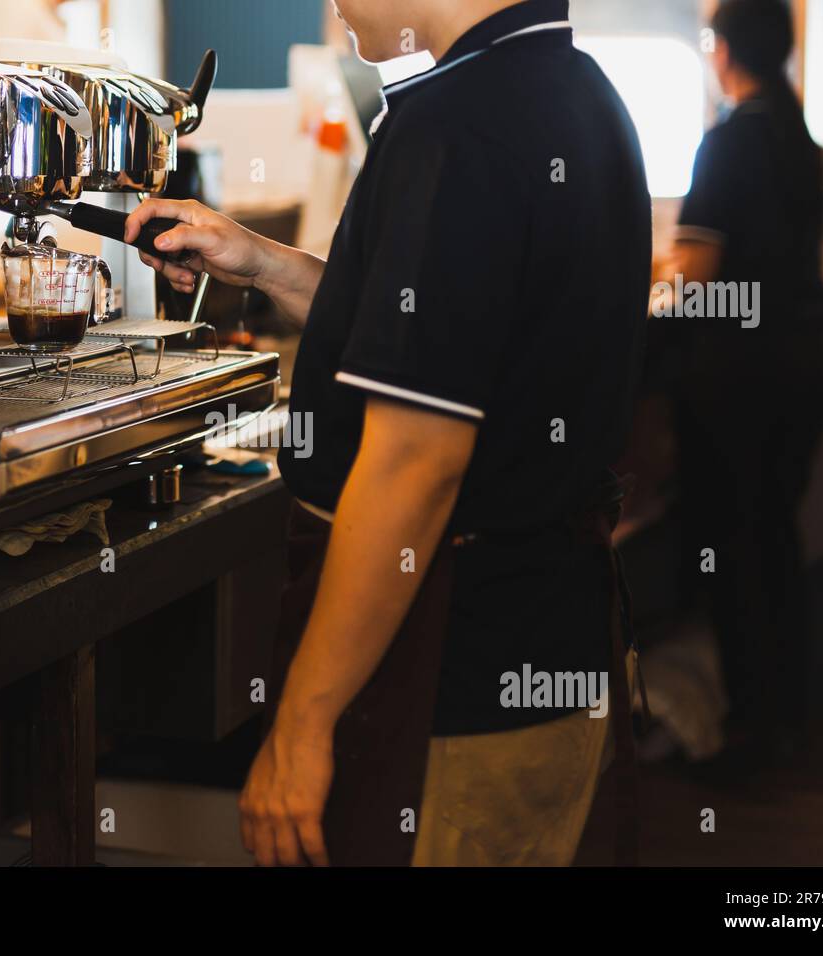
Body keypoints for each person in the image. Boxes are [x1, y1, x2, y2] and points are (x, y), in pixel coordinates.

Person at [127, 0, 651, 866]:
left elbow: (415, 463)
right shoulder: (576, 89)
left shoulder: (456, 121)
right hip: (557, 643)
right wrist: (260, 262)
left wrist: (300, 727)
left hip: (455, 670)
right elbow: (440, 326)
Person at [654, 0, 823, 759]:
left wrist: (658, 276)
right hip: (804, 365)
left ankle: (739, 729)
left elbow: (697, 276)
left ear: (724, 52)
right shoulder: (804, 141)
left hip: (735, 378)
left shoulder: (728, 141)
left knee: (726, 542)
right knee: (774, 533)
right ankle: (785, 712)